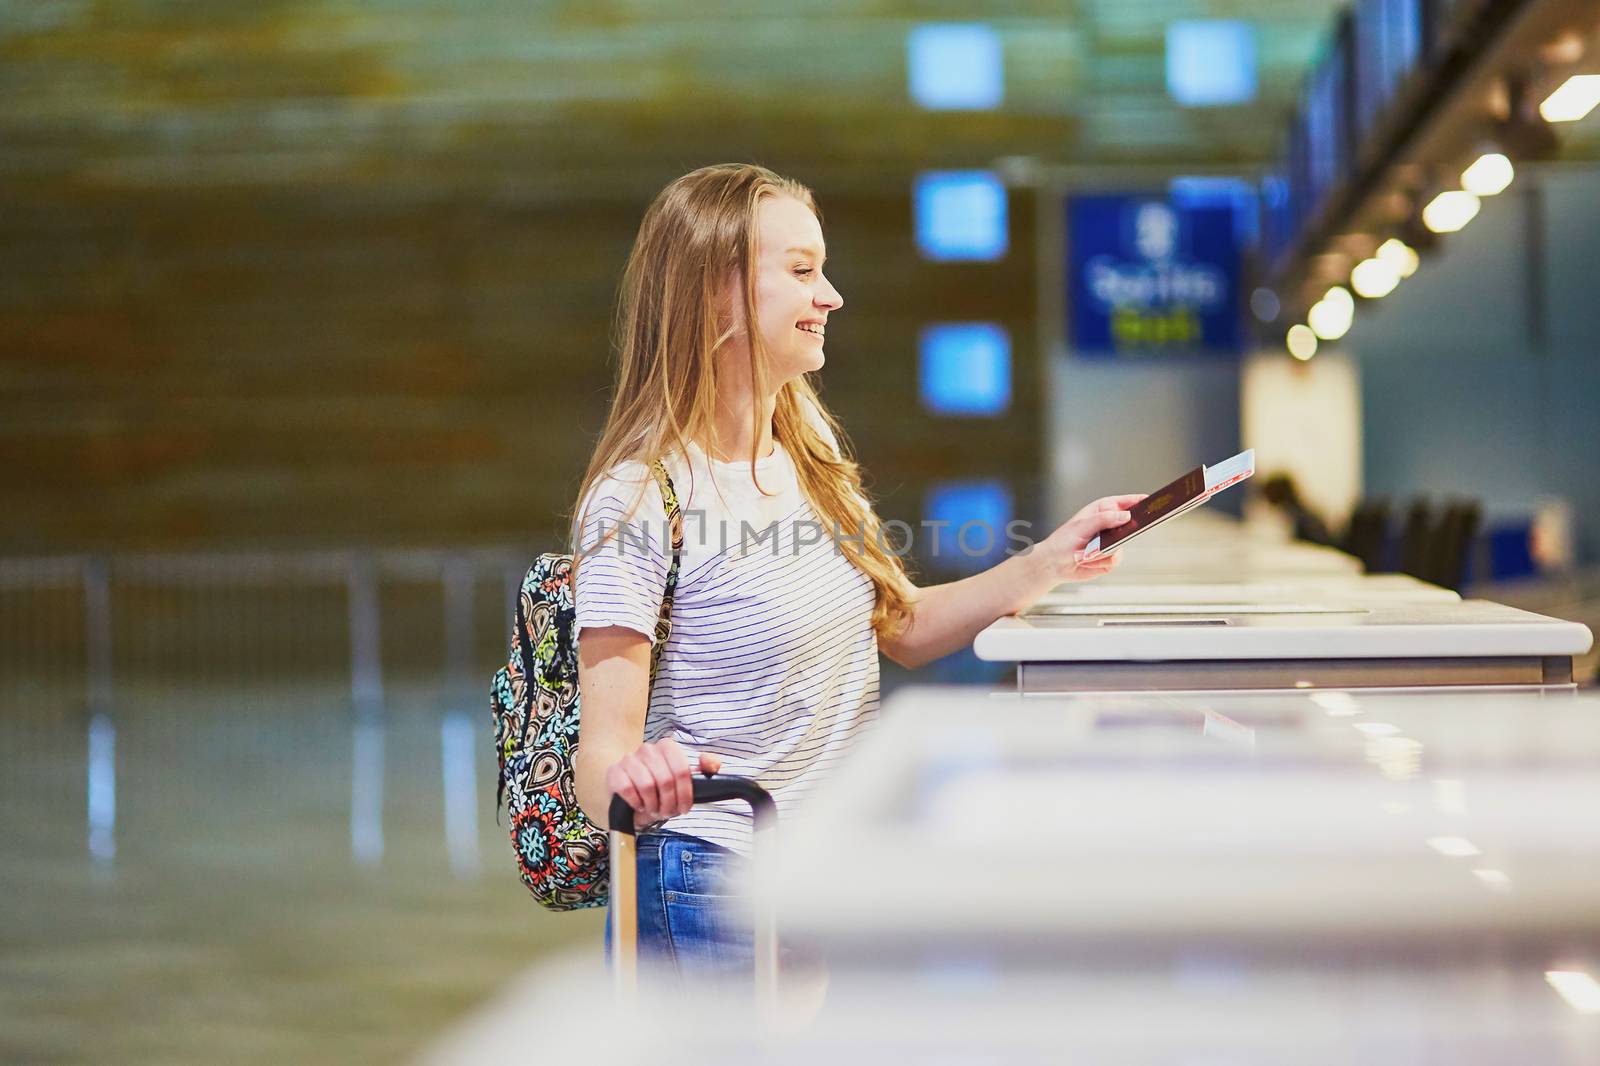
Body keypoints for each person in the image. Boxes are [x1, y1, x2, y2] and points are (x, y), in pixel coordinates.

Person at [570, 163, 1141, 978]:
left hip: (824, 866)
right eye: (802, 272)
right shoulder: (637, 497)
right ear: (716, 295)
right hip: (710, 882)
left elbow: (900, 627)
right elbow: (601, 767)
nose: (830, 296)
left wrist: (1050, 561)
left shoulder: (811, 457)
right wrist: (640, 781)